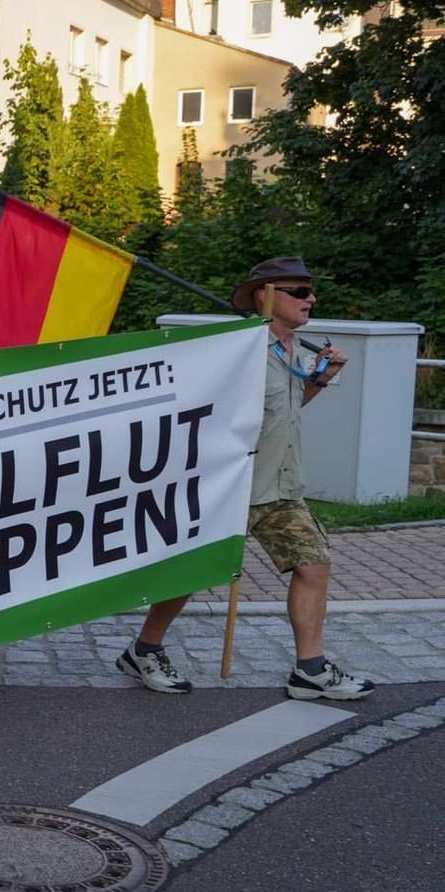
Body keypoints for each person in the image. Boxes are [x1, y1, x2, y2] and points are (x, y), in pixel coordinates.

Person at [120, 257, 373, 701]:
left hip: (279, 486)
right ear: (266, 295)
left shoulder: (294, 348)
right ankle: (144, 650)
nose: (310, 299)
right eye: (299, 291)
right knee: (191, 573)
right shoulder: (238, 350)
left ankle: (309, 669)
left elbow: (286, 409)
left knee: (314, 565)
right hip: (229, 486)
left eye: (310, 291)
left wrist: (324, 378)